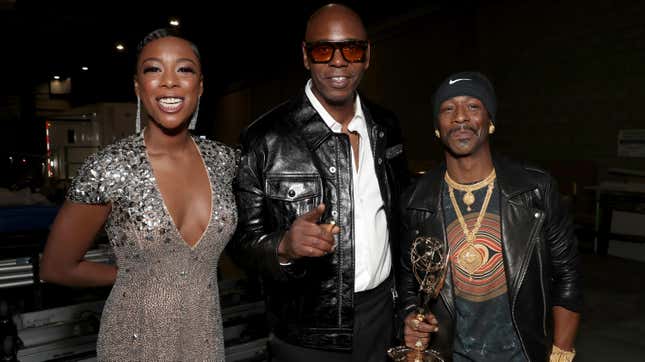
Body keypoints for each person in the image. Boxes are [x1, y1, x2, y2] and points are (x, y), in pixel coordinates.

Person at [40, 28, 238, 361]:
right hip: (133, 340)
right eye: (153, 69)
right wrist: (137, 275)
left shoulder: (225, 161)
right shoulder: (107, 168)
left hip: (204, 338)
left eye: (184, 69)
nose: (170, 82)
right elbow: (55, 268)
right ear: (137, 87)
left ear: (200, 86)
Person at [230, 3, 409, 361]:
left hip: (382, 320)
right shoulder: (265, 138)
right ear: (306, 56)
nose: (338, 62)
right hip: (307, 335)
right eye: (324, 49)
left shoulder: (386, 127)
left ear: (367, 56)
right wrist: (283, 247)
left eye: (352, 49)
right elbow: (240, 244)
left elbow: (401, 221)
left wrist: (407, 305)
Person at [396, 71, 582, 362]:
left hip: (522, 354)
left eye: (473, 106)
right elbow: (409, 283)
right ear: (437, 127)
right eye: (448, 109)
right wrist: (410, 318)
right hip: (449, 355)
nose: (460, 117)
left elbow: (567, 274)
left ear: (490, 121)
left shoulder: (534, 189)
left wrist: (561, 352)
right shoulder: (416, 200)